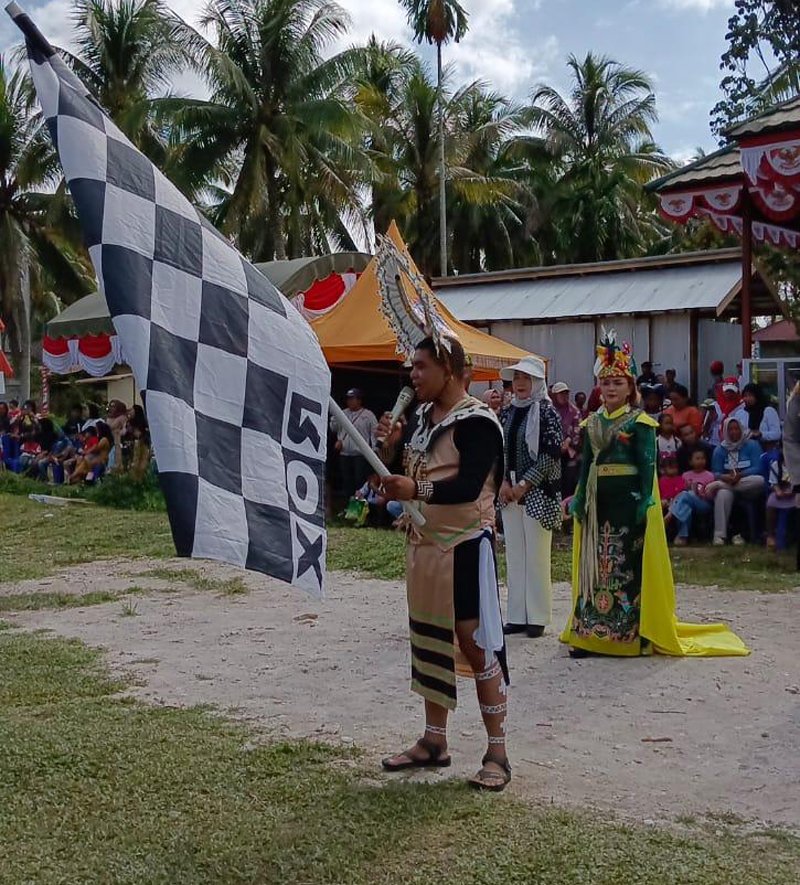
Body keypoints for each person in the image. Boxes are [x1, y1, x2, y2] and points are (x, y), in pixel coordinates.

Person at [561, 329, 749, 658]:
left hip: (628, 504)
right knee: (595, 566)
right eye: (606, 383)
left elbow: (647, 466)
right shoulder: (591, 423)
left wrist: (644, 501)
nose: (611, 388)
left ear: (630, 387)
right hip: (597, 504)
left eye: (618, 383)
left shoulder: (641, 423)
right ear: (599, 387)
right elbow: (586, 463)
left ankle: (630, 635)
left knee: (625, 567)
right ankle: (590, 634)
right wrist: (579, 498)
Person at [378, 336, 511, 791]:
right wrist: (392, 449)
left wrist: (414, 492)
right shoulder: (419, 419)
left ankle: (498, 750)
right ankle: (435, 741)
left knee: (474, 645)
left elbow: (469, 487)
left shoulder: (478, 422)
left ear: (448, 371)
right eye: (412, 367)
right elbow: (407, 476)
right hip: (424, 547)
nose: (413, 375)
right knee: (428, 640)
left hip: (464, 546)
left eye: (421, 366)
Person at [499, 358, 563, 638]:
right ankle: (516, 615)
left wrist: (525, 484)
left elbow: (551, 455)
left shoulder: (549, 413)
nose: (520, 383)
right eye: (516, 378)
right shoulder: (506, 412)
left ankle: (536, 616)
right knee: (514, 554)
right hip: (508, 492)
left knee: (536, 555)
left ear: (537, 382)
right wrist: (501, 481)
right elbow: (497, 449)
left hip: (537, 491)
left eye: (526, 378)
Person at [707, 418, 766, 546]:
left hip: (748, 487)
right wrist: (724, 478)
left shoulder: (752, 445)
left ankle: (723, 486)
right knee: (722, 494)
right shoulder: (719, 450)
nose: (734, 432)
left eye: (736, 428)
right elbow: (715, 472)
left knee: (760, 480)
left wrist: (741, 475)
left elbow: (759, 467)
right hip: (729, 483)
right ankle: (719, 536)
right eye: (730, 429)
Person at [329, 389, 378, 501]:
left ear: (359, 400)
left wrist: (374, 450)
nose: (350, 401)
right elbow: (334, 428)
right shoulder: (342, 413)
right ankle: (348, 507)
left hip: (360, 454)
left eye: (352, 399)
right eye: (348, 399)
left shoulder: (368, 415)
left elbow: (374, 433)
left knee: (359, 481)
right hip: (345, 453)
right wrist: (334, 417)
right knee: (347, 481)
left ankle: (360, 507)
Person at [667, 448, 716, 546]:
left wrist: (699, 492)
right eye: (697, 458)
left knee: (687, 495)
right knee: (685, 506)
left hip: (704, 504)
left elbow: (712, 497)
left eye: (703, 458)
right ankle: (683, 537)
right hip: (688, 502)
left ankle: (671, 513)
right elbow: (681, 491)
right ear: (690, 462)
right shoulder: (685, 475)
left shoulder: (710, 475)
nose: (701, 461)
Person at [551, 381, 581, 499]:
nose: (564, 396)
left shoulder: (573, 411)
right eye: (561, 394)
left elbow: (577, 429)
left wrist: (567, 442)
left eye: (566, 393)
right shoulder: (549, 409)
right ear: (554, 395)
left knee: (569, 480)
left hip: (569, 453)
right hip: (551, 451)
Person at [765, 451, 795, 551]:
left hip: (796, 493)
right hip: (781, 493)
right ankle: (770, 536)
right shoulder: (776, 465)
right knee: (771, 501)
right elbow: (773, 483)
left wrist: (792, 492)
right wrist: (778, 491)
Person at [741, 383, 781, 450]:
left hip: (766, 451)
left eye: (750, 395)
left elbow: (777, 434)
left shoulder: (769, 411)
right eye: (745, 396)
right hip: (746, 451)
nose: (747, 398)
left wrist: (761, 434)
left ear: (757, 396)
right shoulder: (741, 413)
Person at [710, 378, 744, 445]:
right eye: (727, 391)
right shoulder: (714, 405)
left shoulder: (743, 405)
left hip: (736, 442)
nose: (729, 394)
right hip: (716, 442)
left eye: (732, 391)